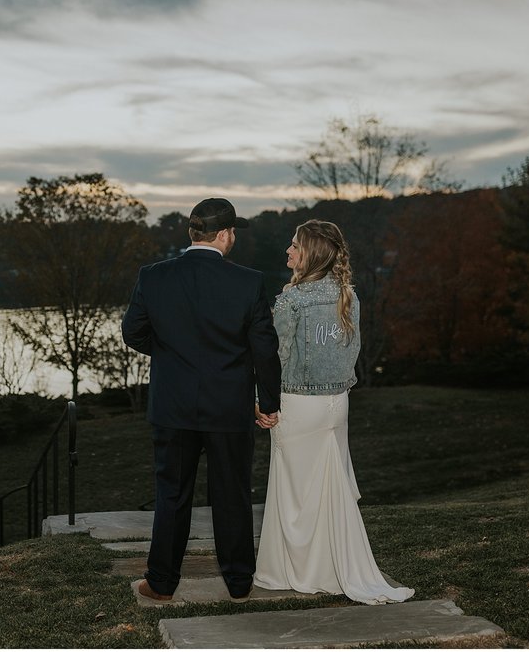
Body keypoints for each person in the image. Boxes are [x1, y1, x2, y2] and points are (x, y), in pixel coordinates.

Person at [122, 197, 282, 605]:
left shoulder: (153, 276)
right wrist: (268, 401)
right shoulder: (248, 282)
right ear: (226, 235)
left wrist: (173, 355)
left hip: (172, 406)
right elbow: (264, 349)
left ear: (192, 234)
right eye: (233, 234)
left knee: (172, 495)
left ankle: (160, 583)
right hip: (228, 407)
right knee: (232, 494)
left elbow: (133, 333)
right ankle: (239, 583)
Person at [253, 219, 414, 605]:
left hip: (298, 405)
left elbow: (275, 358)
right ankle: (329, 568)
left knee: (295, 494)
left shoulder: (291, 301)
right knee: (328, 488)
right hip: (336, 406)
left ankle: (298, 571)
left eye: (294, 246)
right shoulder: (348, 296)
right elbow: (352, 353)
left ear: (310, 254)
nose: (287, 252)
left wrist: (262, 402)